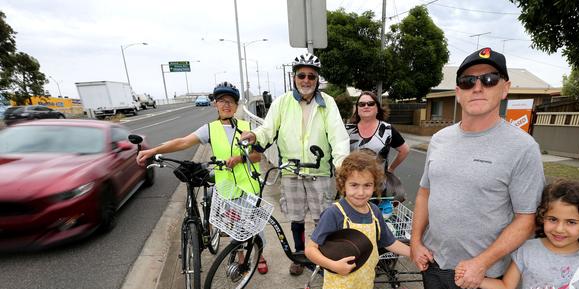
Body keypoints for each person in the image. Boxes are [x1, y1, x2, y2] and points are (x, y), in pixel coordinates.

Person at [410, 47, 546, 289]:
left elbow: (527, 219)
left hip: (480, 268)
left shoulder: (522, 148)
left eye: (489, 78)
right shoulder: (441, 139)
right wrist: (416, 242)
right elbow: (424, 194)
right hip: (434, 257)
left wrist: (482, 263)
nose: (478, 87)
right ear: (457, 91)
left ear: (505, 87)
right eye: (468, 81)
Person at [136, 82, 270, 274]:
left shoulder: (247, 127)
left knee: (252, 223)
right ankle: (242, 258)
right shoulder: (210, 129)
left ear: (236, 105)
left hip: (248, 185)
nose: (226, 105)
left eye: (231, 101)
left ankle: (260, 254)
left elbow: (258, 156)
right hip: (226, 187)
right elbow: (182, 142)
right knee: (234, 226)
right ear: (215, 104)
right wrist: (154, 150)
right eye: (222, 101)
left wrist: (240, 159)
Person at [240, 53, 350, 276]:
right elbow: (268, 129)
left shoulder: (327, 103)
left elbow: (338, 137)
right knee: (296, 218)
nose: (306, 80)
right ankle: (300, 256)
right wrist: (255, 135)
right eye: (302, 75)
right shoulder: (282, 102)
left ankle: (323, 257)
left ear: (317, 79)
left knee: (323, 218)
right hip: (290, 171)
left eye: (311, 76)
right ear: (294, 77)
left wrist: (341, 165)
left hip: (319, 171)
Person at [304, 150, 410, 289]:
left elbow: (389, 241)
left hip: (364, 282)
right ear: (343, 185)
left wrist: (414, 252)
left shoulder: (374, 212)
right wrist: (333, 265)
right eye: (354, 185)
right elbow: (311, 249)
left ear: (375, 186)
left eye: (367, 186)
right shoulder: (334, 213)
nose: (361, 192)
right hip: (339, 282)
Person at [347, 91, 410, 216]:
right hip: (352, 187)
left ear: (377, 108)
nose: (366, 106)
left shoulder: (387, 130)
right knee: (353, 225)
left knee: (376, 224)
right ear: (357, 109)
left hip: (378, 189)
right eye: (362, 104)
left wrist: (391, 168)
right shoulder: (347, 130)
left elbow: (404, 150)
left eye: (370, 103)